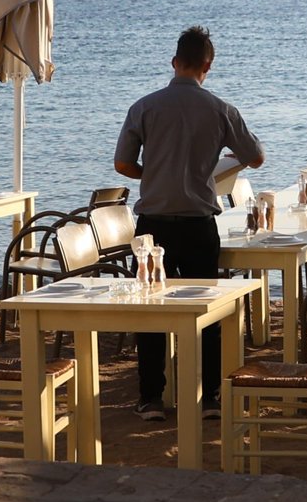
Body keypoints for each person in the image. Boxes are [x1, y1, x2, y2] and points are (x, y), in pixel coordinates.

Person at [114, 25, 265, 421]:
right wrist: (213, 168)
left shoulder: (144, 107)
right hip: (199, 222)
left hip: (153, 225)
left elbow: (122, 164)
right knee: (207, 312)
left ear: (174, 62)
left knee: (150, 311)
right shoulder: (221, 109)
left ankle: (151, 398)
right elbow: (256, 156)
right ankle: (210, 397)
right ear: (207, 66)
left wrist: (153, 173)